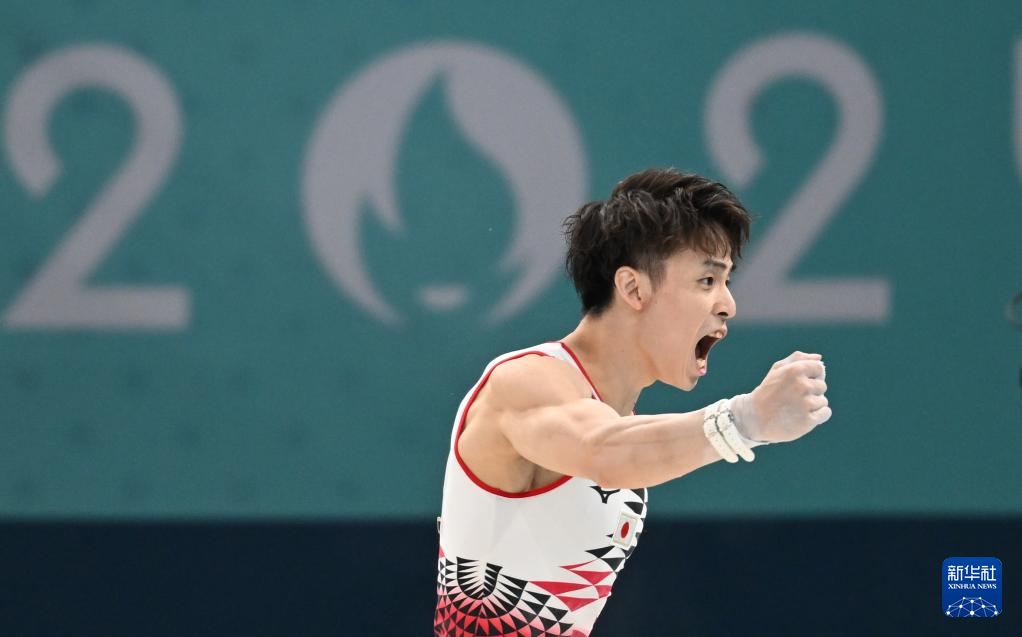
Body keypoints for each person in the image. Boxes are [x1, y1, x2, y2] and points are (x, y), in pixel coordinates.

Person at [434, 168, 831, 637]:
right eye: (707, 280)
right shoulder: (524, 381)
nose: (728, 304)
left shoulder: (622, 419)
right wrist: (745, 420)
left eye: (726, 281)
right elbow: (603, 451)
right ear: (633, 289)